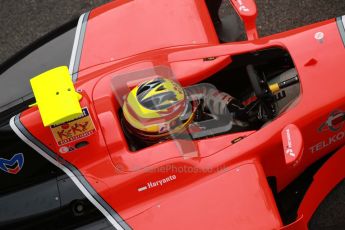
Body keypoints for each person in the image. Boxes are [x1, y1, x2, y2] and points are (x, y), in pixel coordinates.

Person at [121, 77, 248, 149]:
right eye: (185, 109)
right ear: (162, 129)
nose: (193, 105)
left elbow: (205, 91)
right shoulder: (172, 151)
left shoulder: (136, 122)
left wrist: (230, 103)